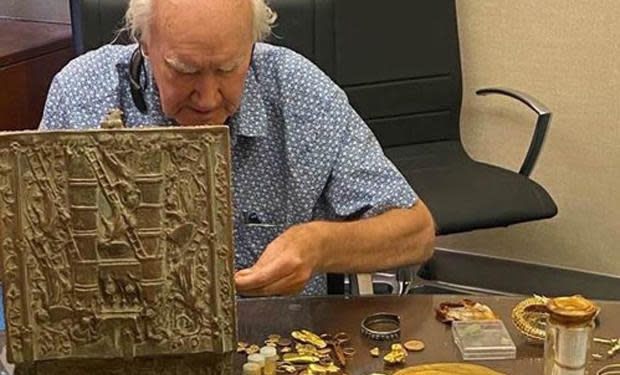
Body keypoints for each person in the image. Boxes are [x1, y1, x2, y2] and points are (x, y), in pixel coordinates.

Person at [40, 0, 435, 296]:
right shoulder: (80, 94)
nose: (209, 99)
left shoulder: (299, 92)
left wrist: (319, 245)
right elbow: (34, 240)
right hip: (126, 347)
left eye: (229, 69)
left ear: (251, 47)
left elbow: (415, 231)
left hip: (279, 351)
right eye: (185, 70)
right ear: (144, 45)